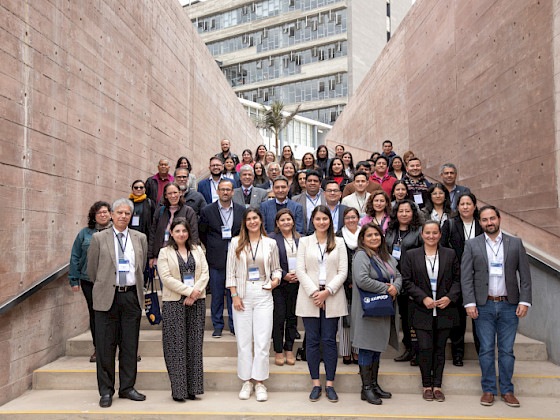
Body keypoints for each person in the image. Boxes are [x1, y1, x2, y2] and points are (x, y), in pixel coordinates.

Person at [461, 205, 532, 408]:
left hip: (510, 305)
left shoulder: (515, 243)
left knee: (507, 350)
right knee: (485, 350)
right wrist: (470, 303)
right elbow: (466, 277)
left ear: (499, 219)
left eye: (492, 218)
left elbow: (525, 276)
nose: (489, 222)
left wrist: (525, 301)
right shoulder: (472, 244)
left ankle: (507, 390)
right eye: (484, 220)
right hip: (483, 306)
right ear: (480, 222)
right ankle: (489, 390)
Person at [87, 198, 148, 408]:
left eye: (127, 213)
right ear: (111, 215)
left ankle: (127, 388)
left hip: (131, 296)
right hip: (107, 297)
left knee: (130, 346)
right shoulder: (98, 238)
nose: (123, 216)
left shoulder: (140, 238)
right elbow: (92, 271)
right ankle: (106, 390)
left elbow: (141, 268)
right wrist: (105, 286)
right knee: (105, 346)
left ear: (131, 216)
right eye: (119, 212)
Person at [226, 207, 282, 402]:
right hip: (242, 294)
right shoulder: (235, 243)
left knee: (262, 340)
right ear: (244, 222)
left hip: (263, 293)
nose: (252, 222)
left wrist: (275, 281)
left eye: (255, 218)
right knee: (243, 341)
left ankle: (259, 382)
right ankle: (246, 381)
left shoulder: (271, 243)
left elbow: (277, 269)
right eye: (248, 219)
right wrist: (234, 295)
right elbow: (230, 272)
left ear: (260, 220)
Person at [401, 220, 461, 402]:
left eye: (435, 232)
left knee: (440, 349)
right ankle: (427, 385)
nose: (431, 236)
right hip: (421, 310)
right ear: (422, 234)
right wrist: (423, 297)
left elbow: (459, 280)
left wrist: (450, 297)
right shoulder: (411, 255)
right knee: (425, 348)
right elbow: (406, 281)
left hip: (445, 310)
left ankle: (438, 386)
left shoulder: (450, 254)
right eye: (427, 232)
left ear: (440, 235)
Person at [296, 205, 348, 403]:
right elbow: (300, 270)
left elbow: (343, 272)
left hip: (332, 295)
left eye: (325, 219)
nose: (321, 222)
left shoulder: (339, 242)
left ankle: (330, 385)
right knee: (312, 341)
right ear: (313, 221)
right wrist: (315, 293)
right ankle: (316, 384)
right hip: (310, 296)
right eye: (317, 219)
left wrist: (327, 292)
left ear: (330, 221)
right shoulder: (304, 242)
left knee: (328, 341)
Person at [158, 217, 209, 402]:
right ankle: (179, 391)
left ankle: (193, 388)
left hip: (197, 302)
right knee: (176, 347)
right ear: (171, 233)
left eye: (184, 231)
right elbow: (166, 278)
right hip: (174, 304)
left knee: (194, 345)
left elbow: (205, 273)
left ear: (189, 233)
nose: (181, 234)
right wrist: (189, 291)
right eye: (177, 231)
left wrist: (194, 294)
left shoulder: (197, 249)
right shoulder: (165, 252)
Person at [352, 222, 401, 405]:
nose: (374, 238)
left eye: (377, 235)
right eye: (369, 235)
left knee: (376, 348)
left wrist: (396, 287)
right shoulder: (361, 256)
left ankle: (374, 385)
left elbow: (399, 276)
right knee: (366, 348)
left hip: (382, 310)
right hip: (367, 311)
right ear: (363, 239)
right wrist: (387, 289)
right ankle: (365, 389)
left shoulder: (386, 256)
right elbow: (362, 280)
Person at [441, 192, 483, 366]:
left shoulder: (482, 225)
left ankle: (483, 353)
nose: (465, 207)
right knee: (458, 319)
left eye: (468, 203)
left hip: (480, 277)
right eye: (462, 204)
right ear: (457, 207)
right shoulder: (449, 224)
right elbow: (442, 248)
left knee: (480, 319)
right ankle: (458, 354)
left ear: (474, 206)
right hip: (457, 277)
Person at [199, 179, 245, 338]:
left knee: (234, 295)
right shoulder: (207, 210)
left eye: (228, 189)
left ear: (233, 192)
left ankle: (234, 325)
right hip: (216, 259)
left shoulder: (241, 210)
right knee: (217, 295)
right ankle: (218, 326)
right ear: (217, 191)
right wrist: (214, 246)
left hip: (237, 259)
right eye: (222, 189)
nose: (225, 192)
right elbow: (202, 233)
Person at [69, 201, 112, 363]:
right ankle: (99, 349)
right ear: (94, 215)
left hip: (111, 281)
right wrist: (73, 279)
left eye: (105, 212)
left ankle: (123, 347)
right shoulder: (84, 234)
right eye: (99, 212)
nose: (103, 214)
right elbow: (75, 256)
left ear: (110, 214)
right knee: (95, 315)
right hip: (89, 280)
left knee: (115, 314)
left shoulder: (117, 232)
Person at [385, 200, 424, 365]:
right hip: (394, 278)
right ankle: (408, 349)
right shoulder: (390, 230)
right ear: (396, 213)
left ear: (413, 213)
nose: (404, 214)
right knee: (403, 317)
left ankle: (418, 351)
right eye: (401, 211)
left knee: (413, 317)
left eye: (408, 211)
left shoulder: (419, 231)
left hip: (413, 280)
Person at [269, 209, 301, 366]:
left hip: (297, 284)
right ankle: (278, 351)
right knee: (279, 317)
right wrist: (284, 274)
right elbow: (269, 262)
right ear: (277, 223)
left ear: (293, 221)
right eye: (282, 220)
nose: (286, 222)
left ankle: (289, 349)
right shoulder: (271, 239)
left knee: (292, 318)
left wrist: (299, 275)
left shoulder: (300, 239)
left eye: (288, 219)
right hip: (280, 285)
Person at [148, 182, 199, 268]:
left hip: (182, 258)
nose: (173, 196)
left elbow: (194, 235)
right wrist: (151, 256)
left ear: (180, 193)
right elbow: (153, 234)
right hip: (162, 258)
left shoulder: (188, 211)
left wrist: (192, 256)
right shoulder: (160, 211)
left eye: (175, 192)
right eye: (169, 193)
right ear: (165, 196)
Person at [336, 207, 361, 365]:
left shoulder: (365, 234)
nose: (351, 220)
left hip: (362, 283)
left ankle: (357, 350)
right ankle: (345, 352)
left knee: (359, 319)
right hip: (343, 283)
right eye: (347, 218)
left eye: (354, 217)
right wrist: (348, 280)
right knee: (344, 318)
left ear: (358, 218)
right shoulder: (338, 236)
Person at [292, 170, 325, 235]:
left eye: (315, 181)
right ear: (305, 183)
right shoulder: (295, 200)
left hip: (325, 235)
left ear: (320, 184)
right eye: (309, 181)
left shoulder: (327, 198)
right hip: (304, 237)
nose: (312, 183)